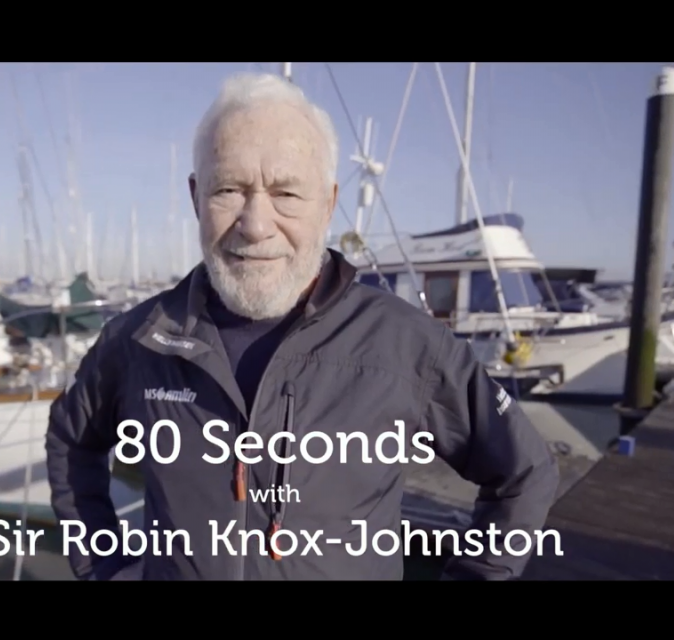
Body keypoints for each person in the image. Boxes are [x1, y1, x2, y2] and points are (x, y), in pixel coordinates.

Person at [45, 72, 559, 580]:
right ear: (196, 196)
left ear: (329, 202)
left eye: (286, 194)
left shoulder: (405, 345)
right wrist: (103, 567)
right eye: (229, 188)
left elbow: (523, 472)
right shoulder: (140, 339)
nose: (256, 224)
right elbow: (73, 439)